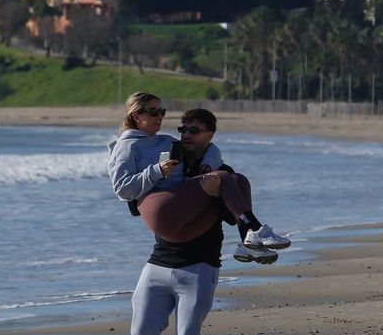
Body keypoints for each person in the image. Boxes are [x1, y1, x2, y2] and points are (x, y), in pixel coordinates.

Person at [130, 109, 232, 335]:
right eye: (183, 129)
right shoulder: (167, 167)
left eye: (194, 130)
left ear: (209, 136)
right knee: (142, 330)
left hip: (199, 266)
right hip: (159, 262)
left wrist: (214, 193)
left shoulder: (221, 172)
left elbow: (232, 215)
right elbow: (135, 205)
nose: (186, 135)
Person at [107, 92, 290, 264]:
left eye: (162, 111)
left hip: (181, 207)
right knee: (223, 176)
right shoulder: (126, 146)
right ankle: (254, 229)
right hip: (159, 206)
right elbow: (122, 189)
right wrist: (157, 171)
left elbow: (207, 148)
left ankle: (248, 242)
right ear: (137, 116)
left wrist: (209, 162)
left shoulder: (166, 140)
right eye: (153, 111)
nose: (159, 116)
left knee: (239, 179)